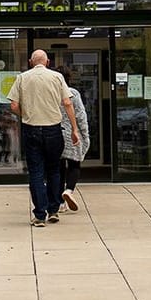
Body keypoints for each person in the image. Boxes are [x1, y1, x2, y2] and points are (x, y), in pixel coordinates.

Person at [7, 50, 80, 227]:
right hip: (53, 129)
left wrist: (27, 114)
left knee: (36, 172)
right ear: (47, 62)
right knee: (54, 170)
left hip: (31, 129)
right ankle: (54, 209)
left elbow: (13, 105)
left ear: (31, 62)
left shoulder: (22, 78)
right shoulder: (56, 77)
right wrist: (74, 129)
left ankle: (40, 214)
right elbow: (68, 103)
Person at [55, 66, 90, 212]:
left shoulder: (52, 94)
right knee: (75, 164)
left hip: (55, 133)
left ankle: (60, 203)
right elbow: (81, 115)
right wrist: (85, 135)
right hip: (72, 133)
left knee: (58, 168)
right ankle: (69, 190)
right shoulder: (73, 93)